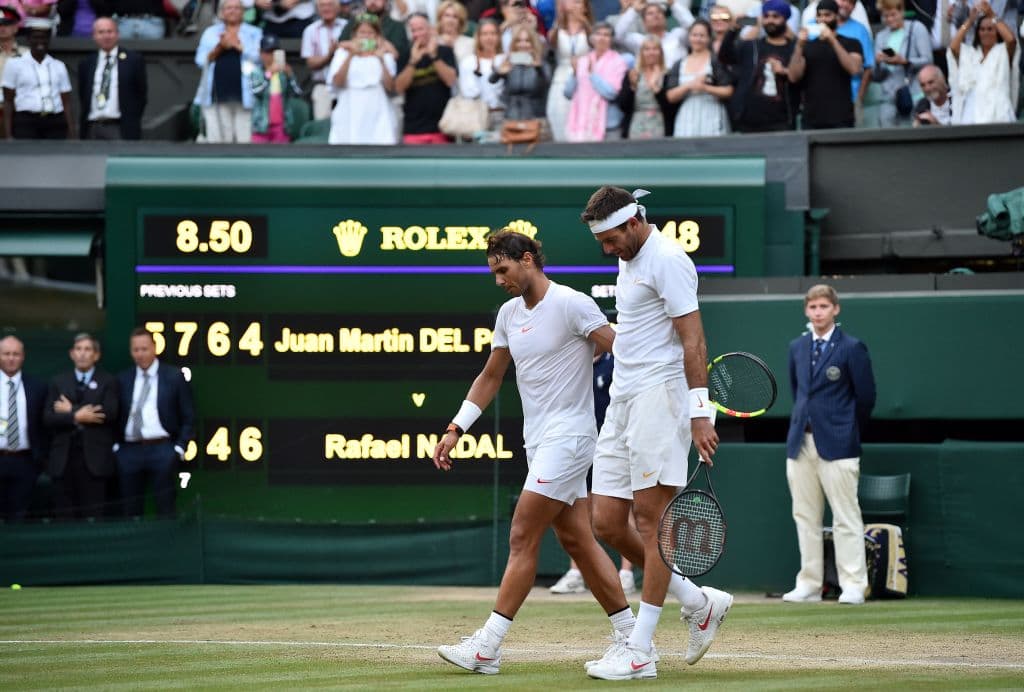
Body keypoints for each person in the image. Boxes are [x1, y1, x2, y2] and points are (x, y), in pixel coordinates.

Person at [433, 230, 633, 676]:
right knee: (578, 541)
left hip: (571, 437)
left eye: (502, 270)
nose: (498, 279)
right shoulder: (507, 314)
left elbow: (624, 349)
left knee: (523, 533)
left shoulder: (572, 303)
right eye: (493, 272)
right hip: (539, 440)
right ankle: (632, 637)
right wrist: (455, 428)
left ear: (527, 260)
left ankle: (488, 646)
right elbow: (489, 377)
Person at [581, 187, 732, 681]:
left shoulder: (668, 259)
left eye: (610, 239)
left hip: (661, 397)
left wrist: (699, 411)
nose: (608, 250)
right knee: (605, 520)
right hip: (624, 398)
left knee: (653, 521)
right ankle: (697, 600)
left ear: (632, 223)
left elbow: (694, 340)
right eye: (602, 241)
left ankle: (641, 649)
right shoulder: (630, 257)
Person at [783, 284, 876, 605]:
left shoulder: (852, 347)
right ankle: (809, 584)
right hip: (800, 443)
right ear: (806, 311)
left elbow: (866, 398)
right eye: (813, 307)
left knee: (846, 515)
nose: (818, 312)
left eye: (824, 306)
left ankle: (853, 584)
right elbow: (799, 394)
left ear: (835, 309)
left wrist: (846, 430)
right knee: (804, 515)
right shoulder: (797, 347)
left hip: (839, 444)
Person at [550, 351, 637, 597]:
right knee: (583, 506)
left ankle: (626, 574)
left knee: (622, 508)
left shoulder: (616, 362)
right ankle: (577, 574)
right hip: (583, 443)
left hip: (615, 444)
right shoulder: (573, 361)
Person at [116, 328, 195, 519]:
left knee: (166, 507)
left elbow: (188, 416)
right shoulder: (122, 379)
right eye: (136, 350)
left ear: (154, 348)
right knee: (130, 509)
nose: (140, 354)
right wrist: (116, 448)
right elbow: (114, 414)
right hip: (129, 451)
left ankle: (166, 547)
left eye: (144, 349)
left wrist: (178, 449)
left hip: (162, 449)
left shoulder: (174, 377)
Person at [43, 333, 119, 521]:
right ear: (71, 354)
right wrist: (77, 416)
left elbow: (109, 413)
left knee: (93, 514)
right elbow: (49, 417)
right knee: (64, 515)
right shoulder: (58, 382)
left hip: (94, 461)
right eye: (78, 349)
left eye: (87, 349)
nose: (82, 354)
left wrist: (70, 411)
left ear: (96, 355)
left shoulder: (108, 381)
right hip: (63, 460)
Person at [718, 0, 798, 132]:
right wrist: (733, 30)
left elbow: (801, 76)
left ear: (785, 19)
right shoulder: (751, 46)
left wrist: (784, 71)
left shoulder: (794, 49)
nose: (770, 20)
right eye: (766, 16)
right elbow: (724, 57)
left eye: (775, 16)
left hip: (782, 121)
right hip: (748, 121)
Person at [787, 0, 864, 129]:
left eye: (827, 15)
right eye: (819, 15)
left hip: (841, 116)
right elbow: (793, 77)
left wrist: (832, 40)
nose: (822, 19)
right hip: (812, 117)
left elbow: (854, 69)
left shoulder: (852, 43)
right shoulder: (807, 46)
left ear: (836, 16)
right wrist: (799, 45)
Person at [194, 0, 263, 143]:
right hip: (216, 94)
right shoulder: (210, 32)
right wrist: (220, 46)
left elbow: (260, 59)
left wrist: (238, 45)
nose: (233, 11)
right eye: (229, 8)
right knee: (217, 142)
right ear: (222, 12)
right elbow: (200, 61)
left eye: (237, 8)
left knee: (245, 140)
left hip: (246, 94)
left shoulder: (254, 32)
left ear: (243, 12)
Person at [327, 12, 397, 143]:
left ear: (377, 36)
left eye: (370, 33)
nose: (366, 37)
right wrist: (350, 56)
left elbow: (390, 87)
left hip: (378, 110)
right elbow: (337, 82)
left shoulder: (385, 56)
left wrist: (381, 59)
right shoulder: (342, 54)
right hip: (349, 109)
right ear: (354, 35)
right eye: (362, 33)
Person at [947, 0, 1019, 124]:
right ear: (977, 32)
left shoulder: (1002, 51)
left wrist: (992, 15)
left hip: (998, 112)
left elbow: (1011, 40)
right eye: (982, 29)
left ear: (997, 33)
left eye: (990, 29)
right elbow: (953, 47)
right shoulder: (970, 54)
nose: (985, 33)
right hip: (971, 113)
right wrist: (970, 21)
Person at [0, 335, 47, 523]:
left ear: (23, 356)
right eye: (6, 354)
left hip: (25, 461)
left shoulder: (37, 386)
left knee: (20, 516)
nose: (11, 358)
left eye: (16, 354)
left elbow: (44, 426)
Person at [77, 18, 148, 140]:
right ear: (94, 36)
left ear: (117, 34)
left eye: (110, 31)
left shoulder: (133, 60)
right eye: (101, 32)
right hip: (92, 126)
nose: (106, 36)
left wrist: (132, 119)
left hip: (120, 127)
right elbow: (83, 94)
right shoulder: (86, 63)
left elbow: (141, 94)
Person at [394, 12, 458, 144]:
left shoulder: (445, 51)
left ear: (431, 29)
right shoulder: (405, 55)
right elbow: (399, 88)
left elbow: (450, 80)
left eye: (421, 29)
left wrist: (434, 56)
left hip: (443, 127)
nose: (417, 34)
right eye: (413, 30)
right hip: (413, 129)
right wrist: (412, 62)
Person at [664, 19, 735, 136]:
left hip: (712, 113)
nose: (698, 39)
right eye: (694, 35)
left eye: (702, 36)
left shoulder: (715, 61)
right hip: (687, 115)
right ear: (689, 37)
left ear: (708, 39)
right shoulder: (680, 63)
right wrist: (689, 85)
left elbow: (728, 90)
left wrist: (705, 88)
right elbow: (670, 96)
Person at [872, 0, 933, 127]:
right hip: (888, 98)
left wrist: (904, 61)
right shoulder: (881, 36)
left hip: (913, 95)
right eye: (886, 16)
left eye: (893, 15)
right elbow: (877, 76)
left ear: (902, 11)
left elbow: (928, 60)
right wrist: (878, 63)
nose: (889, 19)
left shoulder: (917, 28)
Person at [565, 22, 627, 141]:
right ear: (591, 38)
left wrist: (593, 75)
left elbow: (611, 93)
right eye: (598, 34)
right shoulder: (582, 60)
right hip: (581, 124)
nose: (602, 38)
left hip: (609, 124)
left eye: (606, 35)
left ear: (611, 39)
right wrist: (574, 73)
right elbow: (568, 93)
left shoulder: (618, 61)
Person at [490, 22, 550, 134]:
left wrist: (538, 68)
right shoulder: (509, 63)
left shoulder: (542, 65)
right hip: (510, 116)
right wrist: (499, 72)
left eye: (527, 41)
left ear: (533, 43)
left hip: (535, 118)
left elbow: (546, 85)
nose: (523, 44)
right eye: (519, 41)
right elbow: (491, 80)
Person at [546, 0, 592, 141]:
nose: (574, 5)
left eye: (578, 2)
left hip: (584, 77)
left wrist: (584, 22)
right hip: (561, 76)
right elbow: (551, 42)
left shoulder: (590, 28)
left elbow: (596, 42)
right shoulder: (559, 29)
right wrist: (559, 19)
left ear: (585, 7)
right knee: (557, 113)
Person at [250, 33, 304, 143]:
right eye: (268, 52)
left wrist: (290, 76)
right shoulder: (256, 72)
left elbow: (298, 93)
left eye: (274, 51)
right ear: (261, 53)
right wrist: (269, 74)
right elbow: (256, 92)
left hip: (281, 126)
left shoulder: (284, 73)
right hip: (261, 125)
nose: (271, 55)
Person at [301, 0, 348, 120]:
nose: (326, 8)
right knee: (322, 124)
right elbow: (310, 63)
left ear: (338, 7)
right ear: (317, 8)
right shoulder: (310, 30)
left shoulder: (348, 27)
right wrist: (329, 55)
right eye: (322, 5)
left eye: (330, 4)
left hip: (346, 86)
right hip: (322, 85)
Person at [457, 18, 505, 133]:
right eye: (484, 34)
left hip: (503, 114)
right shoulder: (469, 62)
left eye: (493, 33)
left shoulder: (505, 60)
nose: (489, 38)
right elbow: (469, 92)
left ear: (499, 37)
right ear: (478, 37)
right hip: (476, 115)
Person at [613, 0, 693, 68]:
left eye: (659, 12)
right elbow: (617, 35)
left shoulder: (678, 35)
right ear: (644, 22)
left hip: (675, 81)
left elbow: (694, 29)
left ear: (665, 19)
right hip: (645, 83)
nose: (655, 15)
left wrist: (673, 5)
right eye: (650, 13)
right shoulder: (639, 40)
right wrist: (634, 10)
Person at [339, 0, 409, 69]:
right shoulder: (354, 22)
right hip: (354, 69)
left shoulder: (397, 26)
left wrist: (383, 44)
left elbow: (401, 56)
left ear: (386, 1)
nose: (373, 2)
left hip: (385, 72)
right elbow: (340, 44)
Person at [620, 34, 667, 138]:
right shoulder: (633, 74)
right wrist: (632, 86)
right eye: (647, 49)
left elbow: (670, 106)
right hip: (636, 123)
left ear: (660, 52)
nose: (651, 53)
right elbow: (623, 105)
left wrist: (655, 87)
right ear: (641, 53)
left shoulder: (667, 75)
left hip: (660, 123)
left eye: (655, 49)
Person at [0, 2, 27, 140]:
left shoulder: (27, 54)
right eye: (0, 24)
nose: (2, 28)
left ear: (16, 27)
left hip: (19, 113)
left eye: (6, 24)